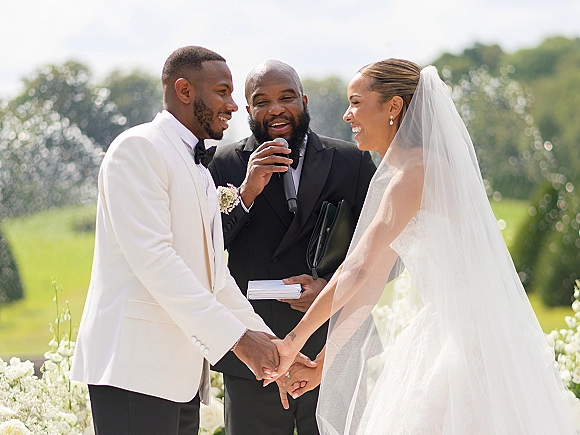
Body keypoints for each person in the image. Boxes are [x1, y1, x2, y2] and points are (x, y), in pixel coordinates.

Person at [269, 59, 579, 434]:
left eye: (355, 102)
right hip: (455, 329)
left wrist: (291, 341)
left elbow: (358, 269)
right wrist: (321, 362)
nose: (347, 115)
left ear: (393, 107)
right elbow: (368, 286)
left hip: (464, 345)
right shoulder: (415, 171)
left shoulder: (414, 174)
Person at [70, 46, 284, 435]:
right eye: (223, 91)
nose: (233, 105)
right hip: (134, 370)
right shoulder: (138, 149)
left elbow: (215, 277)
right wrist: (240, 342)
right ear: (185, 90)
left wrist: (275, 350)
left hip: (180, 376)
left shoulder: (199, 169)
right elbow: (156, 261)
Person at [208, 60, 376, 435]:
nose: (276, 108)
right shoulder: (221, 166)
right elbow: (203, 248)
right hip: (253, 350)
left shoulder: (351, 161)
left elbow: (385, 253)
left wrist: (329, 289)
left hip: (333, 346)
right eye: (262, 100)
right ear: (249, 111)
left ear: (303, 101)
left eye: (286, 97)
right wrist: (247, 192)